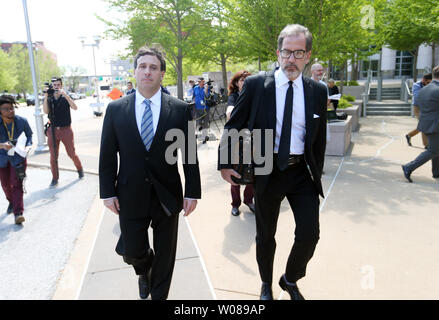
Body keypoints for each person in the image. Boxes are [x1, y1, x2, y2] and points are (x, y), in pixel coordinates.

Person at [219, 24, 327, 300]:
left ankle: (289, 279)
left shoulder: (316, 90)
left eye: (298, 53)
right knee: (266, 235)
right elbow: (234, 124)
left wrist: (318, 171)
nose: (291, 59)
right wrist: (226, 162)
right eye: (286, 52)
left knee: (310, 234)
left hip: (301, 172)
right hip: (267, 171)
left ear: (308, 55)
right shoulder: (257, 85)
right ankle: (266, 284)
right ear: (278, 53)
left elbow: (319, 138)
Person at [99, 46, 201, 300]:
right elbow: (107, 154)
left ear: (162, 73)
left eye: (153, 67)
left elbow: (188, 154)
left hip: (167, 195)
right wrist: (107, 192)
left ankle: (158, 295)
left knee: (166, 257)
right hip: (129, 193)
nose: (147, 72)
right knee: (132, 250)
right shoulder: (115, 109)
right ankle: (144, 268)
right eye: (142, 66)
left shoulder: (179, 109)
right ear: (134, 72)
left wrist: (193, 192)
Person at [43, 77, 84, 188]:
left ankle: (79, 169)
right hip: (52, 130)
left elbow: (75, 107)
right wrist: (46, 96)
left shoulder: (65, 97)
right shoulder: (50, 97)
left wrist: (65, 95)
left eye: (58, 85)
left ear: (61, 85)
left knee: (71, 153)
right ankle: (55, 178)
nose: (56, 87)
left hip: (66, 130)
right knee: (53, 156)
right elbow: (46, 111)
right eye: (54, 85)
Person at [226, 70, 255, 216]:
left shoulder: (256, 96)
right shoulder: (234, 96)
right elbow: (229, 113)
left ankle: (249, 200)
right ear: (237, 83)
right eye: (242, 80)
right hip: (237, 140)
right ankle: (235, 204)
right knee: (235, 173)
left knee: (253, 171)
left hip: (253, 140)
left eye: (247, 79)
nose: (244, 82)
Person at [402, 66, 439, 182]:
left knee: (436, 148)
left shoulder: (425, 89)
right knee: (433, 150)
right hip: (435, 125)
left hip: (427, 123)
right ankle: (409, 167)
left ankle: (436, 172)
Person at [0, 95, 32, 225]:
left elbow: (29, 136)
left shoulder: (22, 121)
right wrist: (2, 145)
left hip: (18, 157)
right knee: (6, 185)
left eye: (12, 108)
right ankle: (11, 201)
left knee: (16, 184)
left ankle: (18, 213)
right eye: (6, 109)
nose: (10, 111)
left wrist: (28, 146)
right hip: (2, 158)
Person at [405, 73, 432, 148]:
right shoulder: (416, 85)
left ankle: (409, 135)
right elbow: (417, 97)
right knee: (424, 124)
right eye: (428, 82)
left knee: (423, 125)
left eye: (430, 82)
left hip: (427, 107)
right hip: (418, 107)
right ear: (423, 80)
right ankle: (426, 145)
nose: (429, 84)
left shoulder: (430, 85)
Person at [193, 77, 210, 143]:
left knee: (205, 123)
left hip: (205, 108)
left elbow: (208, 97)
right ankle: (200, 134)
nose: (200, 83)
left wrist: (206, 90)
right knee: (198, 123)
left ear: (204, 81)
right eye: (199, 82)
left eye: (202, 81)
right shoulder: (195, 88)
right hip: (197, 108)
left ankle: (204, 137)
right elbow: (194, 96)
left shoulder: (206, 88)